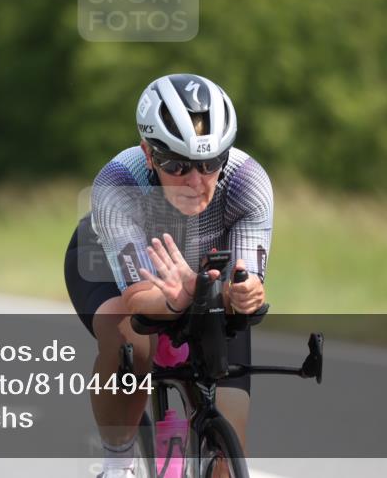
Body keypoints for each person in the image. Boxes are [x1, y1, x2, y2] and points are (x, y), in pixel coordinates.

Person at [64, 73, 273, 478]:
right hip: (107, 266)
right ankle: (117, 462)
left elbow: (246, 286)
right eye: (177, 165)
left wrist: (240, 295)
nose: (196, 182)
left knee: (229, 449)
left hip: (200, 280)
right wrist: (182, 296)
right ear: (148, 154)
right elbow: (139, 296)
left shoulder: (249, 184)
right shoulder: (118, 182)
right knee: (131, 340)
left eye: (211, 163)